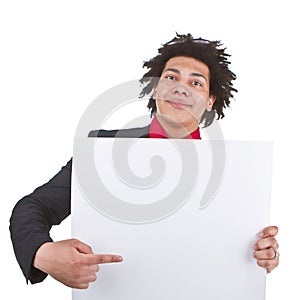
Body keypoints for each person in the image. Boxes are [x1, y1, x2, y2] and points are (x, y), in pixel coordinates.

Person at [9, 33, 279, 290]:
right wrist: (41, 253)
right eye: (171, 77)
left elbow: (237, 247)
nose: (180, 88)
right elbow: (33, 207)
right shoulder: (102, 151)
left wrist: (260, 255)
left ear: (209, 101)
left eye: (195, 83)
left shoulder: (237, 170)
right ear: (155, 89)